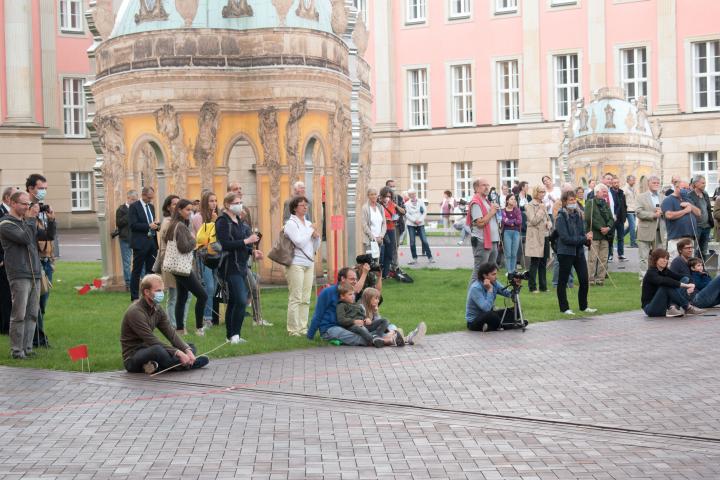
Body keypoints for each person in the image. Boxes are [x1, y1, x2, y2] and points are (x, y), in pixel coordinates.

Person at [0, 191, 55, 359]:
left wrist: (51, 220)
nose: (27, 207)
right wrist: (32, 219)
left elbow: (48, 236)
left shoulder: (27, 221)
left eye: (28, 204)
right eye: (24, 204)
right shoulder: (5, 224)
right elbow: (25, 238)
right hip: (19, 273)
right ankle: (17, 351)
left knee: (32, 313)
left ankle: (28, 348)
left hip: (35, 273)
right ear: (13, 204)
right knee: (19, 314)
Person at [121, 274, 208, 374]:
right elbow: (151, 340)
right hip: (133, 357)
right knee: (158, 350)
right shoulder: (135, 312)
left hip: (150, 349)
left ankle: (156, 366)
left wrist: (186, 350)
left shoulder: (157, 308)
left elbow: (170, 333)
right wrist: (178, 353)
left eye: (162, 290)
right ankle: (191, 364)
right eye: (158, 291)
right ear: (146, 292)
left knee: (190, 346)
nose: (161, 293)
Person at [216, 193, 263, 344]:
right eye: (237, 202)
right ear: (228, 204)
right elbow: (225, 244)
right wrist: (246, 241)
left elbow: (245, 245)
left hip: (242, 265)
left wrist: (253, 251)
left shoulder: (239, 221)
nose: (240, 205)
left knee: (234, 301)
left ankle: (231, 336)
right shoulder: (222, 221)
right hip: (229, 266)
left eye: (241, 202)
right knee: (241, 301)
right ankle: (235, 335)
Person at [163, 199, 208, 336]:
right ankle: (199, 328)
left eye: (191, 209)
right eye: (187, 210)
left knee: (181, 297)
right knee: (203, 296)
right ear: (180, 210)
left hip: (176, 267)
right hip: (182, 268)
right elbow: (183, 248)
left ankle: (180, 329)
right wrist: (195, 241)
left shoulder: (174, 224)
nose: (190, 212)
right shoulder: (180, 226)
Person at [284, 195, 321, 336]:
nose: (305, 207)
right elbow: (299, 242)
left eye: (306, 205)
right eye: (302, 205)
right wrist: (311, 231)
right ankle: (293, 329)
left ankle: (303, 327)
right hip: (295, 263)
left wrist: (316, 237)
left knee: (306, 298)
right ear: (294, 208)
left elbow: (314, 246)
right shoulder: (291, 223)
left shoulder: (308, 223)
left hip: (308, 262)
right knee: (296, 297)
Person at [554, 191, 596, 315]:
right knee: (563, 281)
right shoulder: (561, 217)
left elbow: (581, 234)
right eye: (570, 200)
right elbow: (565, 238)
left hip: (578, 252)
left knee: (584, 279)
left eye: (574, 200)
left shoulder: (578, 215)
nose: (573, 202)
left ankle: (583, 306)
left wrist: (587, 239)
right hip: (565, 253)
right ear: (565, 202)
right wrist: (583, 239)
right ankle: (564, 308)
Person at [155, 195, 188, 329]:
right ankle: (173, 325)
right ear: (168, 207)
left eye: (178, 204)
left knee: (184, 295)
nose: (176, 207)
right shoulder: (168, 222)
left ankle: (181, 323)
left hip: (179, 262)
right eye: (174, 204)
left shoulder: (179, 222)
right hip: (171, 262)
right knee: (174, 295)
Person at [641, 248, 704, 317]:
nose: (665, 261)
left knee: (685, 279)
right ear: (655, 259)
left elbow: (680, 277)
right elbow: (664, 281)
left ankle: (672, 307)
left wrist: (691, 284)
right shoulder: (651, 273)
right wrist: (686, 286)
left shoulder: (665, 271)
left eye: (667, 258)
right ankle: (687, 307)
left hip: (663, 306)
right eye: (662, 258)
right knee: (666, 286)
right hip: (650, 308)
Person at [465, 262, 525, 332]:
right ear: (485, 275)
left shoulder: (494, 283)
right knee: (492, 315)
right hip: (474, 321)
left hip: (490, 315)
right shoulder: (475, 288)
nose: (496, 277)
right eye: (493, 274)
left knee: (517, 311)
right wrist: (490, 290)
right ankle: (510, 325)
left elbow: (509, 294)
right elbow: (486, 308)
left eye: (496, 274)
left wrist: (516, 286)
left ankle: (490, 327)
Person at [193, 190, 219, 329]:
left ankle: (208, 314)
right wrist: (214, 223)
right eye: (211, 201)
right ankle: (206, 318)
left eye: (215, 201)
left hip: (216, 255)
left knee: (214, 287)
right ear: (205, 202)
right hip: (204, 255)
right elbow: (203, 238)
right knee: (208, 286)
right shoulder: (198, 217)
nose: (214, 203)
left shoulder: (217, 215)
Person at [668, 238, 720, 308]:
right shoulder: (677, 262)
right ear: (680, 250)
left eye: (691, 247)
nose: (690, 250)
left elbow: (706, 275)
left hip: (703, 294)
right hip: (694, 299)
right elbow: (671, 282)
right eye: (687, 248)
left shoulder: (693, 260)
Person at [129, 186, 160, 301]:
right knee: (137, 271)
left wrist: (156, 226)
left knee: (151, 271)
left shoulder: (151, 206)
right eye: (149, 197)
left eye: (152, 197)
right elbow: (133, 225)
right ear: (143, 195)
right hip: (140, 244)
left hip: (152, 242)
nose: (150, 199)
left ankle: (148, 295)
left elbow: (152, 223)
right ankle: (135, 297)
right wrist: (148, 226)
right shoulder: (134, 207)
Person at [336, 283, 387, 347]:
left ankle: (378, 337)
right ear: (342, 296)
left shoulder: (356, 305)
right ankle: (373, 340)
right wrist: (354, 321)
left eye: (353, 294)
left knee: (384, 321)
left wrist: (366, 319)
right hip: (352, 326)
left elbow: (363, 315)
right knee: (359, 328)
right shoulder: (341, 305)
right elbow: (341, 320)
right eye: (350, 294)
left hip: (364, 324)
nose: (353, 296)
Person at [468, 178, 500, 282]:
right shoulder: (476, 202)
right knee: (479, 272)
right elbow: (480, 223)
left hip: (492, 241)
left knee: (490, 272)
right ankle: (472, 297)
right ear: (477, 188)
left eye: (488, 185)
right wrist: (492, 212)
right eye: (483, 185)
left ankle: (487, 295)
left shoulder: (486, 201)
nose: (487, 187)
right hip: (482, 241)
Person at [635, 176, 666, 280]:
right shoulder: (641, 197)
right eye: (654, 182)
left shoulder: (663, 197)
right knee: (643, 257)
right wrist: (653, 215)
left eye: (658, 182)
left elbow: (667, 212)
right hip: (645, 231)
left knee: (658, 257)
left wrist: (663, 213)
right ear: (648, 183)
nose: (656, 184)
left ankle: (657, 277)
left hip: (659, 232)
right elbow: (638, 212)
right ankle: (643, 278)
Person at [662, 179, 700, 262]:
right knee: (675, 261)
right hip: (676, 238)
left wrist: (690, 205)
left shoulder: (687, 199)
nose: (686, 191)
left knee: (689, 262)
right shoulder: (668, 200)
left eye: (687, 188)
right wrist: (685, 211)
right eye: (684, 188)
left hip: (689, 237)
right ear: (676, 187)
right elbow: (669, 215)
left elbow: (698, 213)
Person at [585, 184, 614, 286]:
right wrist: (600, 227)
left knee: (604, 258)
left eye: (606, 192)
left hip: (605, 236)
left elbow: (611, 218)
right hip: (594, 235)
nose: (605, 194)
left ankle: (600, 279)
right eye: (603, 192)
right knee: (592, 258)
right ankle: (590, 279)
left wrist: (608, 227)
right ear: (597, 192)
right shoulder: (590, 203)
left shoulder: (606, 204)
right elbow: (588, 218)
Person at [525, 185, 551, 293]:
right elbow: (533, 220)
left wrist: (550, 222)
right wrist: (541, 210)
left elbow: (547, 219)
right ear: (536, 192)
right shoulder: (529, 205)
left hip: (544, 235)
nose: (543, 194)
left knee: (543, 262)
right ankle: (532, 287)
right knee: (535, 262)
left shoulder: (542, 204)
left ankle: (543, 286)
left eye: (544, 192)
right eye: (541, 192)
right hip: (535, 237)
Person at [0, 186, 19, 335]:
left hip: (12, 260)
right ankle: (5, 326)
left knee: (9, 294)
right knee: (5, 294)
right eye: (15, 196)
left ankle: (7, 324)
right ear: (7, 199)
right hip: (3, 261)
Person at [405, 188, 434, 265]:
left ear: (415, 194)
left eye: (414, 194)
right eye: (411, 194)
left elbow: (424, 211)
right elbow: (407, 214)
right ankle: (414, 258)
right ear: (409, 195)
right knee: (412, 242)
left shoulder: (421, 201)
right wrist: (414, 220)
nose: (412, 195)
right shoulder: (406, 204)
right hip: (411, 224)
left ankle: (430, 257)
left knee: (424, 241)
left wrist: (420, 220)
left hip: (420, 224)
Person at [116, 190, 138, 291]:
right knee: (127, 262)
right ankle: (128, 283)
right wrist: (129, 213)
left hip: (136, 238)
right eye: (133, 200)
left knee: (139, 260)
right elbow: (119, 223)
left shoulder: (137, 209)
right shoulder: (121, 209)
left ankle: (141, 281)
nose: (134, 202)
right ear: (128, 198)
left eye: (136, 200)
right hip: (125, 239)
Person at [687, 175, 713, 259]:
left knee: (704, 251)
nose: (704, 184)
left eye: (705, 183)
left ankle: (702, 270)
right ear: (696, 183)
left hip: (707, 227)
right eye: (703, 183)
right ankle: (694, 269)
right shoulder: (690, 195)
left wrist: (710, 222)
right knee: (693, 250)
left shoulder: (705, 193)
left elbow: (708, 209)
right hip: (696, 227)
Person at [360, 187, 386, 263]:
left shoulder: (380, 207)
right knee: (370, 261)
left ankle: (376, 275)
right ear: (368, 196)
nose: (374, 196)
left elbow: (384, 223)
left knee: (377, 261)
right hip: (370, 239)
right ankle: (369, 275)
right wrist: (373, 238)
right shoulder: (365, 208)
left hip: (379, 239)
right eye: (371, 194)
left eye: (375, 194)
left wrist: (381, 236)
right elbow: (364, 225)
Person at [379, 186, 399, 279]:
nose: (388, 198)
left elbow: (394, 214)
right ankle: (380, 273)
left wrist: (394, 218)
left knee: (390, 252)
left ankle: (385, 274)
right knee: (382, 252)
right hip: (382, 230)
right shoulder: (378, 204)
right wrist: (385, 219)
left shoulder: (392, 204)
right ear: (382, 196)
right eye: (386, 196)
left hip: (391, 228)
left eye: (390, 196)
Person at [501, 194, 521, 274]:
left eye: (514, 199)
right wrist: (513, 221)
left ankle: (513, 271)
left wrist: (510, 222)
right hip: (507, 232)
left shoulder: (517, 210)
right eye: (511, 199)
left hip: (516, 232)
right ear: (507, 201)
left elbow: (519, 221)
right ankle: (508, 271)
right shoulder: (503, 210)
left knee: (514, 253)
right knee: (508, 253)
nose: (513, 200)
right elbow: (504, 220)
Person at [609, 175, 627, 262]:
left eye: (617, 182)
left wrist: (625, 216)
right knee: (611, 237)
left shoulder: (621, 193)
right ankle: (610, 254)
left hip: (620, 218)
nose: (616, 184)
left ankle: (621, 254)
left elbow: (624, 205)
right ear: (611, 184)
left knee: (621, 237)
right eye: (614, 183)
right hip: (612, 218)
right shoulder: (609, 193)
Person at [622, 175, 639, 248]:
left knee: (630, 227)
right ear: (628, 181)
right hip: (628, 210)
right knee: (633, 226)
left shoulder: (633, 188)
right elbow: (622, 199)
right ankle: (633, 242)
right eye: (633, 180)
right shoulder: (625, 189)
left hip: (634, 209)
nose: (634, 181)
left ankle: (620, 235)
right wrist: (624, 208)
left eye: (634, 180)